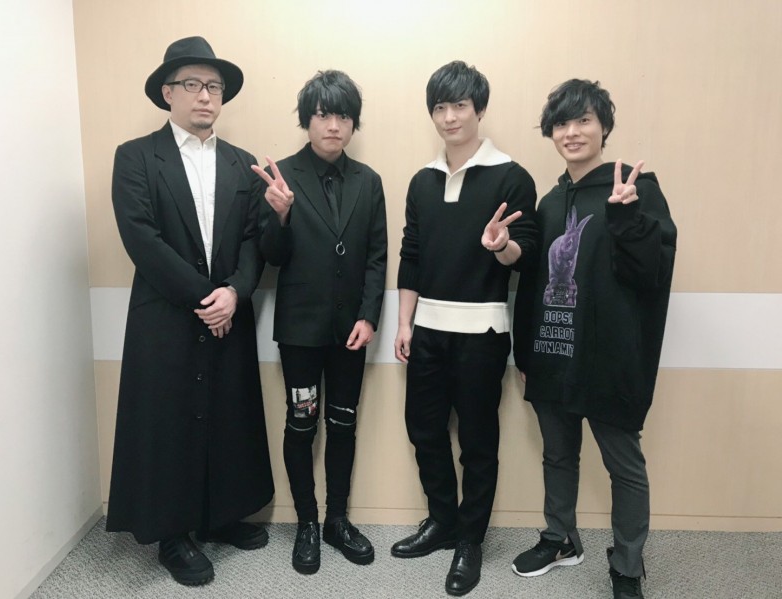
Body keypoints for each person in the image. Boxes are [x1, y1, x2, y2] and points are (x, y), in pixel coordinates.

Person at [106, 36, 274, 586]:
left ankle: (220, 516)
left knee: (226, 413)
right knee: (168, 419)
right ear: (168, 92)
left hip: (229, 310)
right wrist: (207, 298)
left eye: (214, 87)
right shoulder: (136, 156)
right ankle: (173, 533)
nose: (206, 96)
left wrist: (235, 293)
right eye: (193, 85)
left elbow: (252, 240)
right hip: (166, 312)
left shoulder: (242, 162)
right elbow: (142, 238)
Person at [510, 79, 676, 599]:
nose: (572, 132)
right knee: (558, 455)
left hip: (611, 358)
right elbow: (532, 283)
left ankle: (627, 565)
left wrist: (625, 216)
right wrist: (525, 350)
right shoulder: (550, 201)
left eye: (583, 120)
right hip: (553, 350)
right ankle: (560, 537)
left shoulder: (636, 189)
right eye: (561, 123)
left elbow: (652, 272)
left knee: (624, 467)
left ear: (604, 127)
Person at [390, 60, 537, 596]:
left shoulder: (511, 176)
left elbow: (527, 253)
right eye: (440, 107)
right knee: (424, 430)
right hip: (427, 329)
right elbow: (410, 255)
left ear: (479, 109)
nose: (450, 116)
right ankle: (442, 521)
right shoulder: (422, 181)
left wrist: (503, 246)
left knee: (477, 440)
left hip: (483, 334)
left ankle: (470, 540)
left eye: (460, 105)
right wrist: (404, 323)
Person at [251, 70, 387, 575]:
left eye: (343, 116)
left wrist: (369, 317)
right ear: (307, 120)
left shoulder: (368, 181)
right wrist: (281, 216)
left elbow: (377, 257)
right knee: (302, 422)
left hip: (351, 331)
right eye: (323, 115)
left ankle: (337, 520)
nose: (333, 125)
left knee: (344, 423)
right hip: (301, 332)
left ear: (353, 123)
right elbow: (272, 256)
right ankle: (306, 522)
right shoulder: (281, 177)